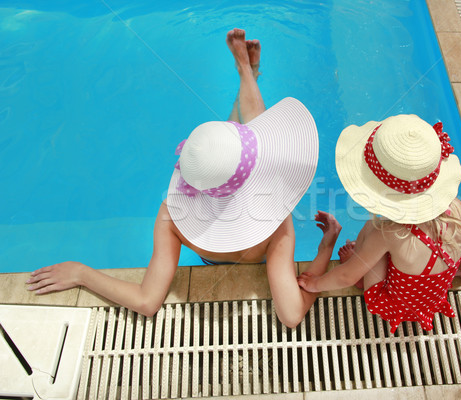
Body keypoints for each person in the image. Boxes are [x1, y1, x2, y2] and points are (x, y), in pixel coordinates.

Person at [26, 28, 341, 329]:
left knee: (227, 150)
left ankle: (246, 71)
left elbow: (147, 302)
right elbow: (291, 315)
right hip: (254, 250)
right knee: (245, 142)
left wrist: (83, 273)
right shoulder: (276, 221)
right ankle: (246, 72)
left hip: (210, 255)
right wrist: (325, 248)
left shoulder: (171, 216)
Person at [297, 114, 461, 333]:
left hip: (394, 303)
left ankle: (362, 262)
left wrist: (314, 283)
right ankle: (366, 257)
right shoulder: (457, 209)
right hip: (433, 298)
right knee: (394, 245)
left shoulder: (389, 232)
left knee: (373, 228)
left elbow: (346, 276)